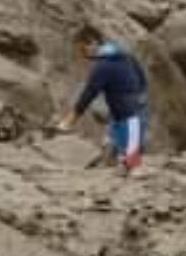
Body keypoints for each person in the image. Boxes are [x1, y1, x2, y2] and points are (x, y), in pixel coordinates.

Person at [54, 34, 148, 174]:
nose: (83, 56)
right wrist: (140, 94)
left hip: (128, 115)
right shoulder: (124, 55)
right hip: (128, 112)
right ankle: (119, 162)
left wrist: (71, 119)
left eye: (83, 51)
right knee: (118, 145)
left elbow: (89, 93)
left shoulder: (103, 66)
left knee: (132, 164)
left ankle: (127, 166)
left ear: (92, 43)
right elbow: (142, 78)